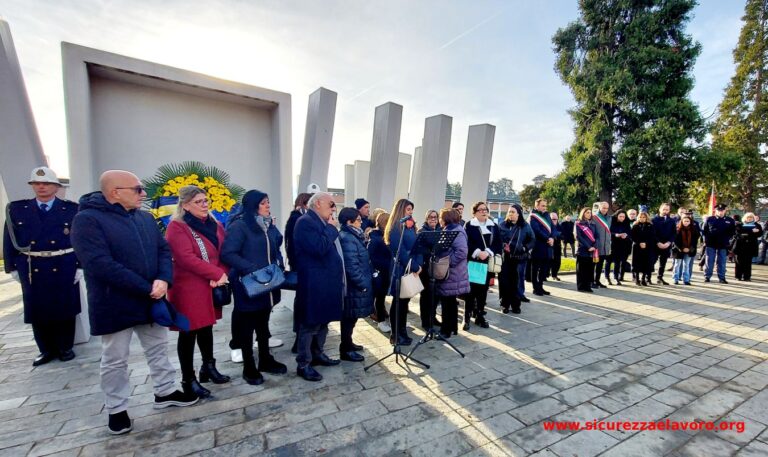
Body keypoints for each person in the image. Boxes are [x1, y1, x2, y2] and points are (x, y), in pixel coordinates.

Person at [71, 170, 198, 436]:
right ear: (115, 192)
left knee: (158, 348)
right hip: (114, 302)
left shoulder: (144, 218)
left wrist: (163, 279)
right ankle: (117, 408)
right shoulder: (88, 220)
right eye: (138, 189)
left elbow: (163, 250)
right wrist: (147, 287)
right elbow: (99, 263)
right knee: (115, 358)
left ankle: (165, 391)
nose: (144, 194)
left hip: (151, 298)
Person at [3, 166, 81, 367]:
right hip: (32, 264)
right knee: (37, 308)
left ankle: (65, 347)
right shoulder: (17, 209)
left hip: (63, 261)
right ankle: (45, 349)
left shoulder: (71, 209)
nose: (41, 187)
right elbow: (9, 238)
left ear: (56, 187)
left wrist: (81, 266)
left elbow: (80, 239)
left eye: (46, 183)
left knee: (65, 306)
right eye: (37, 183)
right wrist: (11, 267)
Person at [166, 186, 231, 399]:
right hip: (189, 288)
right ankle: (188, 379)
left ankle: (208, 367)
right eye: (198, 202)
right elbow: (185, 257)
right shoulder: (177, 227)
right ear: (185, 205)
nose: (205, 205)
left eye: (206, 200)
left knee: (206, 328)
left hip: (211, 285)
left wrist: (220, 273)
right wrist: (214, 273)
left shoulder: (215, 225)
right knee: (189, 332)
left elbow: (225, 252)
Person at [221, 190, 288, 386]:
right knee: (247, 326)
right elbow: (228, 253)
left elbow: (276, 243)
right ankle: (249, 366)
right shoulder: (240, 226)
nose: (268, 205)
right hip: (249, 284)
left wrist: (272, 228)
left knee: (263, 323)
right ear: (253, 205)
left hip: (267, 284)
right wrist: (251, 269)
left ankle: (265, 358)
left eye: (268, 202)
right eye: (264, 203)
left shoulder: (265, 225)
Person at [292, 192, 344, 381]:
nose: (333, 208)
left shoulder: (319, 222)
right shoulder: (305, 222)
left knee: (323, 320)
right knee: (310, 323)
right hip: (314, 282)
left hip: (326, 282)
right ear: (318, 203)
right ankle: (304, 363)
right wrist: (331, 229)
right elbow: (318, 248)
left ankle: (318, 353)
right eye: (331, 204)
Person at [337, 207, 374, 362]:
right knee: (348, 318)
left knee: (352, 319)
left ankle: (349, 343)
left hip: (358, 285)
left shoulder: (354, 236)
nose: (361, 222)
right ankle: (345, 349)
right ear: (349, 221)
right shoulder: (347, 238)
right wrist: (363, 283)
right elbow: (351, 266)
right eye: (358, 220)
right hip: (354, 287)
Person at [384, 198, 422, 346]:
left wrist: (419, 264)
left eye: (411, 209)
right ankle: (395, 334)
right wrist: (414, 266)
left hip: (412, 268)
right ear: (400, 210)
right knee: (398, 302)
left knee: (405, 302)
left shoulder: (411, 226)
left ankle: (403, 332)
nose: (411, 212)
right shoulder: (395, 228)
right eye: (408, 209)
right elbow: (400, 252)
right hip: (400, 269)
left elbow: (417, 246)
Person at [464, 202, 502, 330]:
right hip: (474, 262)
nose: (483, 212)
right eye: (480, 210)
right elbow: (466, 242)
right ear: (474, 212)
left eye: (485, 209)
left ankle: (480, 316)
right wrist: (477, 252)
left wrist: (488, 252)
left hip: (487, 262)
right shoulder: (469, 225)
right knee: (470, 292)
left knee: (483, 292)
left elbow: (498, 243)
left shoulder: (493, 226)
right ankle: (467, 318)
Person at [283, 192, 311, 359]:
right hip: (301, 268)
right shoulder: (297, 218)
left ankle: (300, 338)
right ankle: (299, 340)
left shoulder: (297, 218)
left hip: (302, 267)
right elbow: (292, 246)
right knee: (302, 304)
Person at [435, 208, 469, 338]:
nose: (439, 220)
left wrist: (447, 263)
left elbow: (461, 252)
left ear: (446, 219)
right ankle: (452, 328)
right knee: (450, 302)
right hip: (453, 272)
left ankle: (446, 331)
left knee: (447, 303)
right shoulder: (452, 230)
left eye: (441, 218)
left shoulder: (456, 231)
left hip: (452, 273)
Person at [498, 204, 535, 313]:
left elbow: (532, 239)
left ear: (519, 214)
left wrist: (525, 248)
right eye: (509, 212)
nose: (510, 214)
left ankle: (516, 305)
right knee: (504, 282)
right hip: (505, 258)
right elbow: (496, 240)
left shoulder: (525, 226)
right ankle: (504, 304)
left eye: (513, 212)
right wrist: (502, 246)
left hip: (518, 258)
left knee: (516, 282)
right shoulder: (502, 225)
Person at [528, 198, 559, 296]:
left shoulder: (547, 215)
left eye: (545, 205)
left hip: (548, 246)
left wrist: (553, 237)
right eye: (542, 205)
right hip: (538, 245)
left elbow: (553, 228)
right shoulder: (533, 216)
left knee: (544, 268)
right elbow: (536, 230)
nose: (545, 207)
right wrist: (548, 239)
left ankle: (541, 286)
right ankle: (535, 288)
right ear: (536, 206)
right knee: (535, 268)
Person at [418, 209, 442, 330]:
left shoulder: (440, 231)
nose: (433, 219)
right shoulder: (422, 231)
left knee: (436, 295)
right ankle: (425, 321)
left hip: (437, 267)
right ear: (426, 219)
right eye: (431, 217)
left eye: (435, 217)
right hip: (426, 268)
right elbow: (419, 249)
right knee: (426, 295)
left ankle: (433, 318)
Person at [367, 211, 391, 332]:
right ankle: (381, 321)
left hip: (386, 271)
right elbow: (370, 255)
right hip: (380, 272)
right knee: (380, 298)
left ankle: (383, 319)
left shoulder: (383, 235)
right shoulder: (376, 237)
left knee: (382, 297)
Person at [703, 204, 736, 284]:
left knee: (722, 261)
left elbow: (732, 232)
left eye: (722, 210)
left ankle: (722, 277)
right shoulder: (710, 219)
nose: (720, 212)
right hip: (711, 243)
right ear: (716, 211)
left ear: (725, 211)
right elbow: (705, 231)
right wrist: (705, 241)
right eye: (719, 210)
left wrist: (728, 240)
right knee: (709, 261)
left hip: (723, 244)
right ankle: (707, 276)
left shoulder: (730, 220)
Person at [284, 193, 312, 271]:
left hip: (297, 261)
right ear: (305, 204)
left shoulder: (294, 217)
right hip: (301, 263)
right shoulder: (300, 219)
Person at [732, 212, 762, 281]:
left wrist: (747, 233)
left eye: (751, 217)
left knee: (748, 262)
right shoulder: (740, 224)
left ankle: (747, 277)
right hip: (740, 246)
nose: (749, 218)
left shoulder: (757, 225)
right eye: (748, 217)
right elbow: (738, 232)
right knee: (739, 262)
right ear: (745, 218)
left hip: (750, 246)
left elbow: (760, 233)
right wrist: (752, 231)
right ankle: (738, 276)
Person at [575, 208, 599, 292]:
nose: (589, 214)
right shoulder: (578, 224)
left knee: (590, 269)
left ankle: (588, 286)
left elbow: (597, 236)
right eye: (587, 212)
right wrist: (588, 247)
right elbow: (579, 237)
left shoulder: (593, 224)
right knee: (581, 270)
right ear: (583, 213)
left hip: (592, 251)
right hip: (582, 250)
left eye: (590, 213)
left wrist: (595, 246)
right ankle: (581, 286)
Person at [651, 203, 676, 285]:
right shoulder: (654, 220)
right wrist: (658, 242)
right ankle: (648, 277)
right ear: (660, 209)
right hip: (655, 244)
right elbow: (653, 233)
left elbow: (674, 233)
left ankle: (660, 277)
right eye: (664, 209)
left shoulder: (672, 221)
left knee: (663, 262)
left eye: (667, 210)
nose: (665, 211)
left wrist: (669, 242)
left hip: (666, 245)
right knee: (652, 261)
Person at [672, 214, 700, 285]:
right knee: (677, 264)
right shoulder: (677, 230)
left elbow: (695, 241)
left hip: (689, 250)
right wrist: (682, 248)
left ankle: (686, 280)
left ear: (690, 222)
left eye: (687, 221)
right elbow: (675, 241)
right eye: (684, 221)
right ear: (682, 221)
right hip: (679, 250)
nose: (686, 222)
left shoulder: (694, 230)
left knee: (686, 265)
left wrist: (689, 248)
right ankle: (675, 279)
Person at [631, 212, 656, 286]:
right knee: (637, 263)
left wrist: (646, 243)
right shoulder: (635, 226)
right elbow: (633, 236)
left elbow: (652, 236)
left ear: (646, 218)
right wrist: (639, 243)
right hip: (637, 247)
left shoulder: (650, 226)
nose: (642, 219)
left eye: (644, 217)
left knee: (646, 263)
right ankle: (637, 278)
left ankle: (643, 279)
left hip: (647, 247)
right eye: (640, 217)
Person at [607, 210, 632, 286]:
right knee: (609, 262)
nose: (622, 218)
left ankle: (616, 277)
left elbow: (630, 233)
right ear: (617, 216)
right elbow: (608, 232)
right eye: (620, 216)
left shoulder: (626, 222)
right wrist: (616, 235)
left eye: (623, 216)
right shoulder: (611, 221)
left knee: (617, 262)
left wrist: (626, 235)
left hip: (622, 245)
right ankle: (607, 277)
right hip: (612, 244)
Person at [592, 202, 611, 288]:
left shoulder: (609, 218)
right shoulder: (594, 217)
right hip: (596, 244)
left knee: (600, 265)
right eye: (603, 208)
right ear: (599, 207)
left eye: (606, 208)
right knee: (593, 265)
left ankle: (597, 280)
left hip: (605, 245)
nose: (605, 210)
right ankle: (591, 281)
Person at [549, 212, 562, 280]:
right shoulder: (547, 226)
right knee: (548, 261)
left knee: (557, 262)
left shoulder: (559, 226)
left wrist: (557, 235)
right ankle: (545, 275)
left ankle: (554, 274)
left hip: (557, 246)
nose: (554, 220)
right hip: (549, 246)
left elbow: (563, 235)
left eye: (556, 219)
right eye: (553, 219)